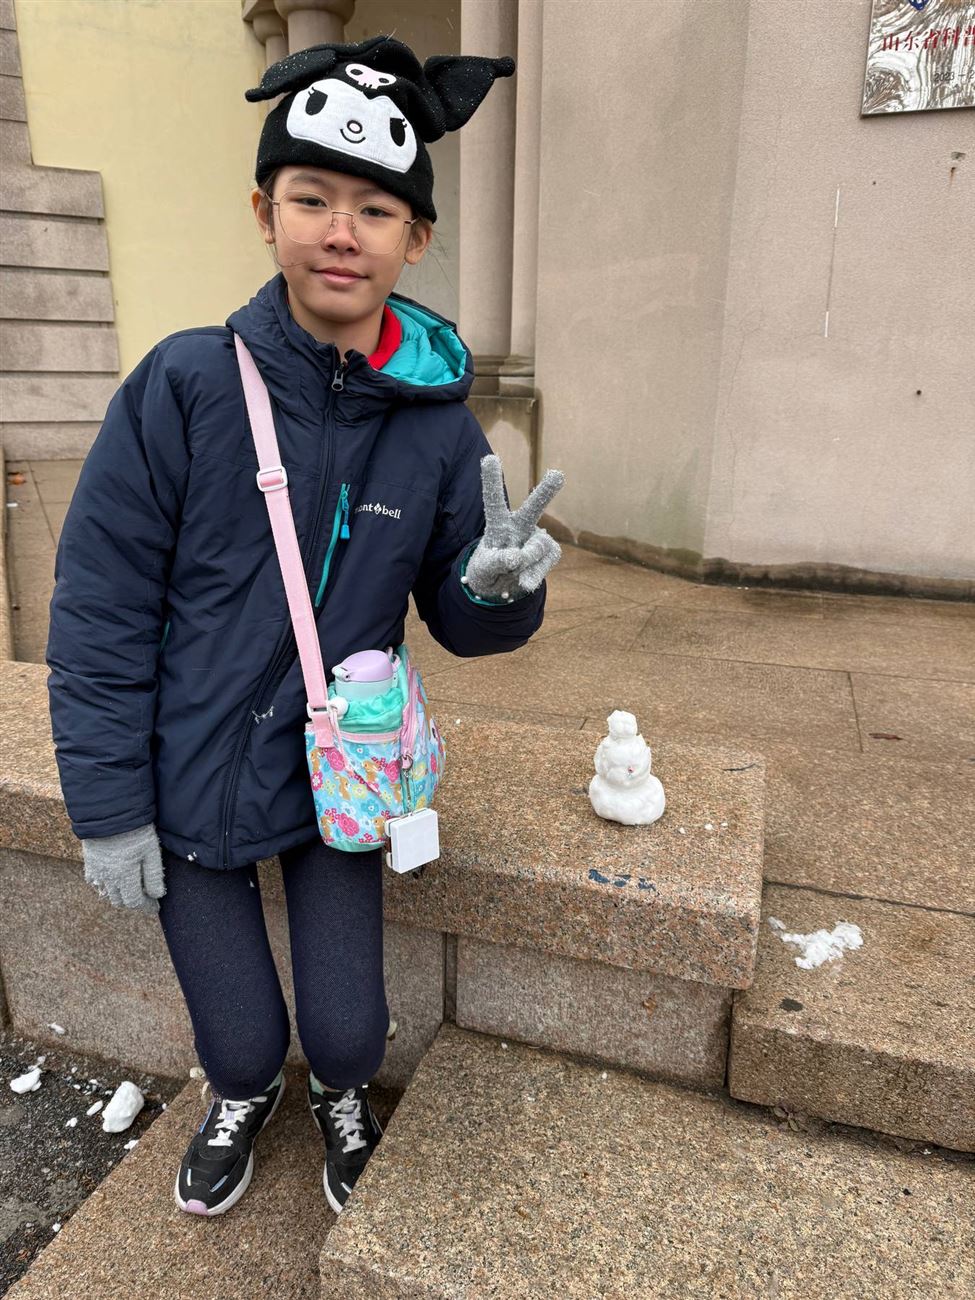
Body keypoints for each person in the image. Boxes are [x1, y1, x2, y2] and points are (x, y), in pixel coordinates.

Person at [44, 34, 564, 1219]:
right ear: (264, 213)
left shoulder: (438, 429)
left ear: (414, 238)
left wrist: (496, 590)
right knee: (236, 1037)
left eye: (376, 209)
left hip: (343, 775)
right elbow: (101, 611)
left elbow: (463, 621)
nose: (342, 230)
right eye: (312, 198)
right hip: (188, 770)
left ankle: (337, 1091)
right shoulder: (185, 386)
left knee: (347, 1028)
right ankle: (240, 1094)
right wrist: (110, 805)